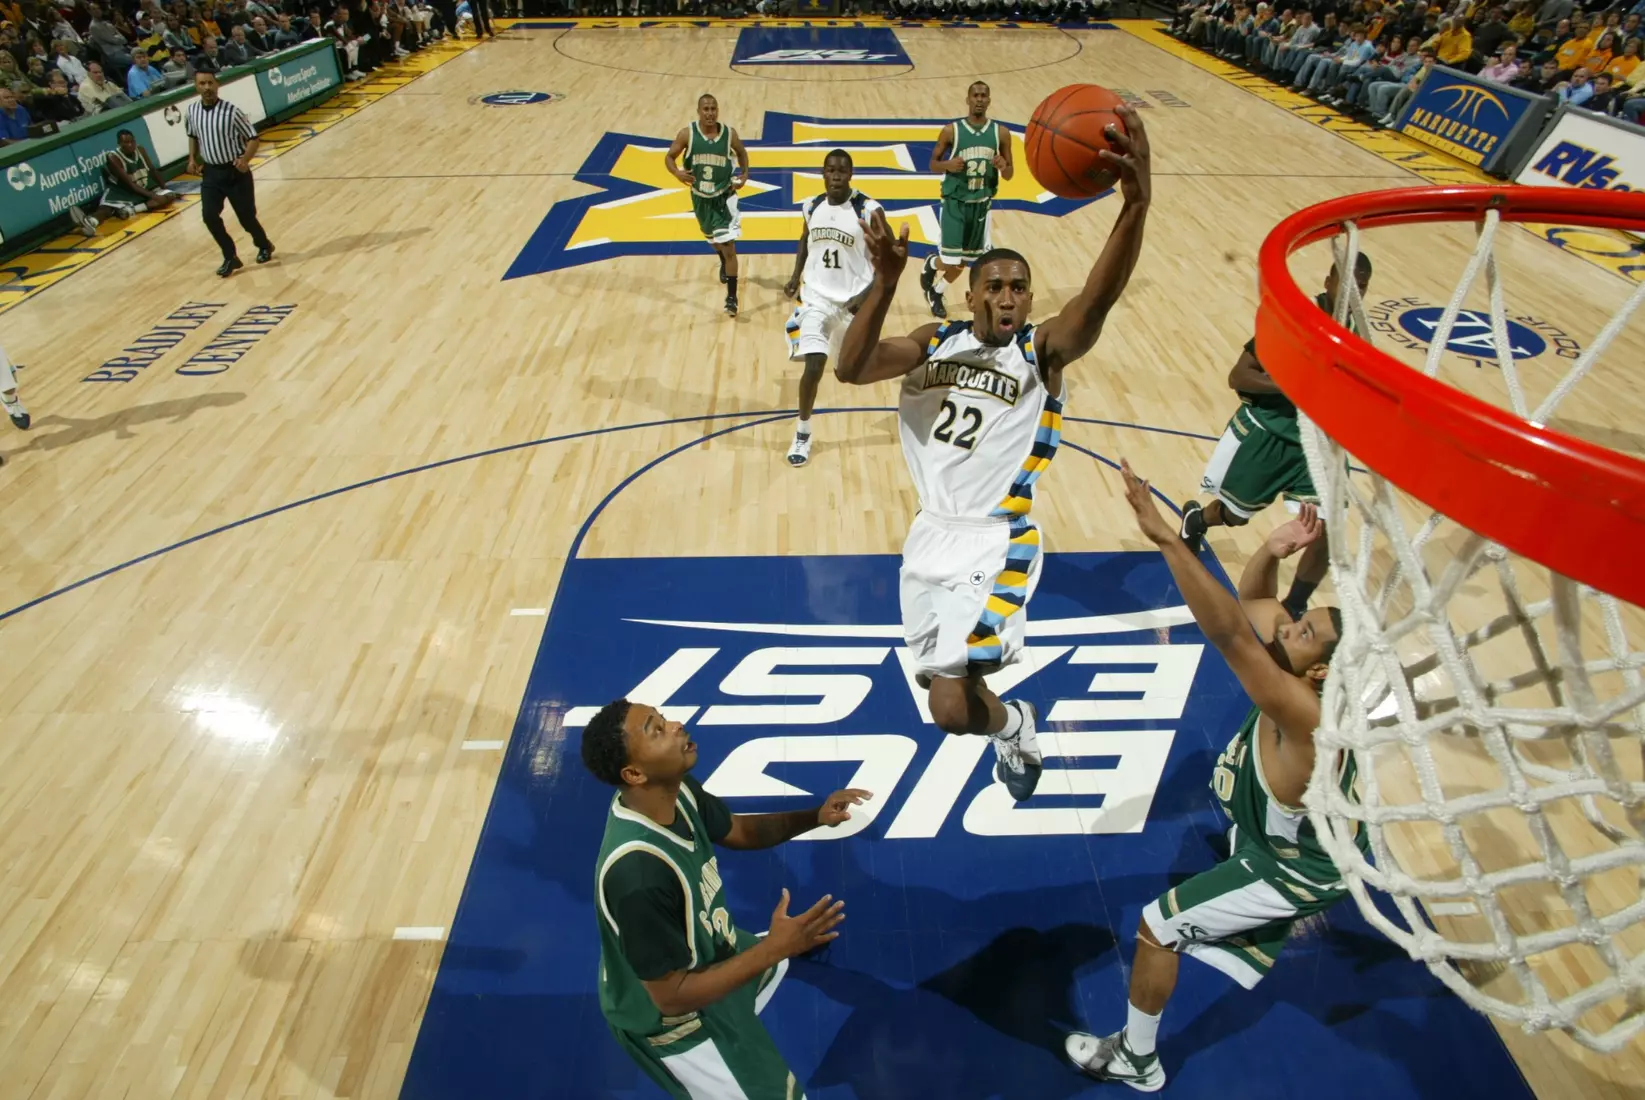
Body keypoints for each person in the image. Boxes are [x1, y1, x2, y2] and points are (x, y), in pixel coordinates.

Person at [833, 105, 1151, 802]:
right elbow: (849, 369)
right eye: (996, 286)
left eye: (1019, 287)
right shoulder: (934, 340)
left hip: (995, 540)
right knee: (945, 709)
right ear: (971, 293)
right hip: (927, 534)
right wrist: (884, 285)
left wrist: (1134, 204)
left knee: (949, 710)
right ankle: (1012, 724)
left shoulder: (1040, 351)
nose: (1008, 296)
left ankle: (1010, 725)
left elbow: (1094, 303)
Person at [1065, 480, 1356, 1092]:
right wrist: (1273, 550)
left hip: (1292, 868)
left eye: (1303, 632)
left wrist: (1170, 541)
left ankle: (1138, 1059)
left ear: (1322, 669)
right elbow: (1254, 609)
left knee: (1157, 926)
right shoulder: (1306, 678)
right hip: (1285, 836)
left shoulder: (1307, 716)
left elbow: (1230, 635)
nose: (1289, 625)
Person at [582, 698, 867, 1100]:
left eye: (665, 719)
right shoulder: (638, 875)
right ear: (634, 772)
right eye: (656, 729)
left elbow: (737, 831)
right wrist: (774, 948)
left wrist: (814, 816)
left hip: (703, 953)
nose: (677, 724)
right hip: (675, 1023)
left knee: (773, 954)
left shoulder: (674, 792)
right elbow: (671, 997)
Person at [1179, 253, 1372, 620]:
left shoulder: (1357, 328)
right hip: (1272, 433)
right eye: (1347, 283)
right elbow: (1239, 377)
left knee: (1326, 529)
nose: (1354, 293)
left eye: (1361, 287)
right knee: (1234, 516)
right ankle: (1199, 520)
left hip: (1319, 446)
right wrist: (1296, 383)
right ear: (1329, 281)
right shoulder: (1293, 319)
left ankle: (1295, 604)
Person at [780, 150, 880, 468]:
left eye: (842, 170)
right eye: (830, 170)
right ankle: (803, 432)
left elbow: (886, 259)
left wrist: (868, 296)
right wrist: (796, 277)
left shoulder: (869, 210)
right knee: (814, 365)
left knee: (848, 373)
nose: (836, 175)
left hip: (852, 302)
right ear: (823, 173)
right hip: (816, 299)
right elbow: (805, 238)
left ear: (851, 174)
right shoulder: (811, 206)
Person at [918, 81, 1013, 320]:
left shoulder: (1000, 133)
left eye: (984, 96)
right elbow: (932, 164)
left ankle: (937, 292)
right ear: (968, 99)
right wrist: (947, 165)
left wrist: (1004, 167)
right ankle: (932, 264)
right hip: (955, 203)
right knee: (950, 258)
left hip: (981, 205)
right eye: (975, 95)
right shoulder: (952, 130)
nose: (980, 99)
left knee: (966, 261)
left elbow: (1010, 174)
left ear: (989, 100)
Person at [664, 93, 749, 318]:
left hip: (724, 196)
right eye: (706, 109)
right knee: (712, 239)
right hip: (700, 197)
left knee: (729, 246)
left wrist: (745, 173)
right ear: (699, 111)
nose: (710, 113)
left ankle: (731, 298)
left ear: (717, 110)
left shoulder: (729, 134)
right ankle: (721, 257)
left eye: (713, 108)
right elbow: (669, 157)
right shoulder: (687, 134)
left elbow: (741, 152)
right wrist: (677, 173)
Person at [185, 70, 275, 277]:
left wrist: (245, 160)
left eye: (210, 83)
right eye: (202, 84)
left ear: (217, 85)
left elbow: (253, 137)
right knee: (209, 216)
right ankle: (230, 256)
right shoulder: (191, 111)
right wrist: (191, 159)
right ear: (196, 87)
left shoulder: (232, 111)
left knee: (246, 217)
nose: (207, 88)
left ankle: (263, 244)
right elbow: (192, 136)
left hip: (234, 173)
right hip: (210, 173)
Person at [68, 128, 178, 235]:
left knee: (170, 195)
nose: (130, 144)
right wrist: (153, 196)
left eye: (132, 141)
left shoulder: (140, 150)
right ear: (119, 143)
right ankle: (91, 221)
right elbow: (130, 185)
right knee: (106, 210)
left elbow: (153, 171)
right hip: (121, 190)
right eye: (126, 142)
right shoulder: (113, 157)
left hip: (140, 188)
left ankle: (130, 210)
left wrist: (164, 187)